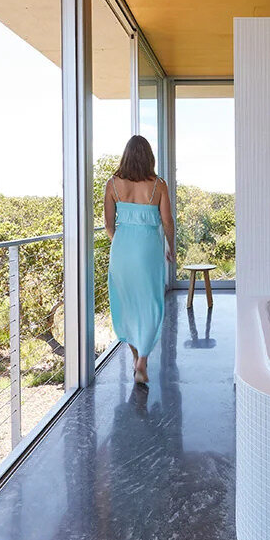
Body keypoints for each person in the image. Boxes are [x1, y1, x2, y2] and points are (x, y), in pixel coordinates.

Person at [103, 135, 174, 384]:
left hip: (122, 250)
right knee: (151, 303)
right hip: (148, 250)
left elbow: (108, 225)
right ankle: (142, 361)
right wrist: (171, 247)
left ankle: (136, 358)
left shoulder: (112, 184)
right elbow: (167, 222)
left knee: (128, 303)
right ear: (149, 157)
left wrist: (123, 244)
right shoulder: (159, 185)